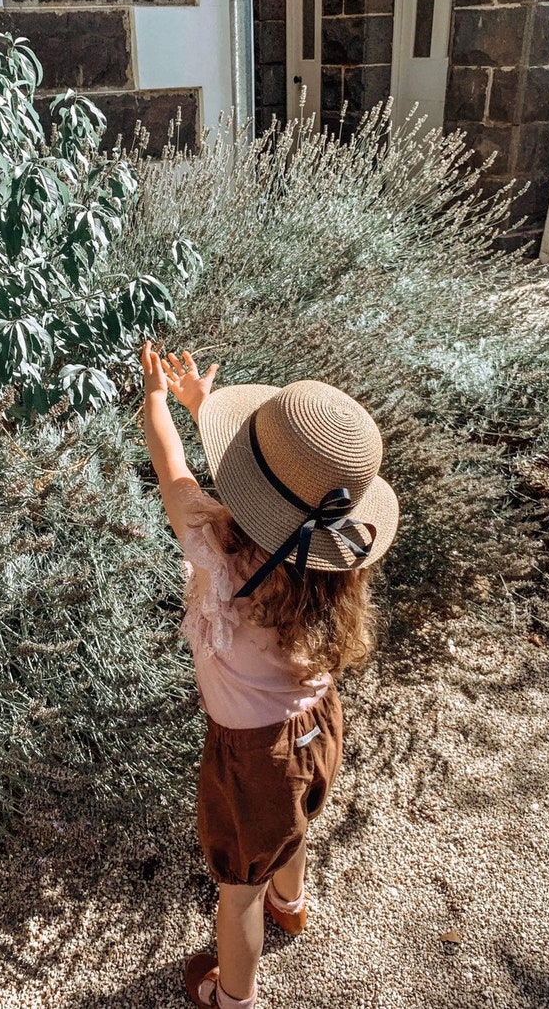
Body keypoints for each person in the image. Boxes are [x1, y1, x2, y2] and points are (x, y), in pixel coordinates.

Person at [140, 341, 399, 1009]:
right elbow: (275, 495)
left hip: (253, 754)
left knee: (237, 888)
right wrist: (199, 405)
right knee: (293, 824)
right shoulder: (338, 562)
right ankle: (293, 904)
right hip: (319, 725)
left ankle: (235, 998)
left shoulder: (216, 546)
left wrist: (158, 401)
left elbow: (173, 473)